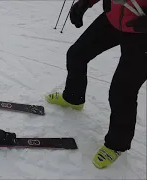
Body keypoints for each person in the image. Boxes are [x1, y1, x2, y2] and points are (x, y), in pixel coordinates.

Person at [45, 0, 147, 169]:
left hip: (142, 30)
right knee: (76, 55)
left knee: (122, 91)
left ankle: (117, 144)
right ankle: (73, 98)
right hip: (115, 18)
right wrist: (86, 2)